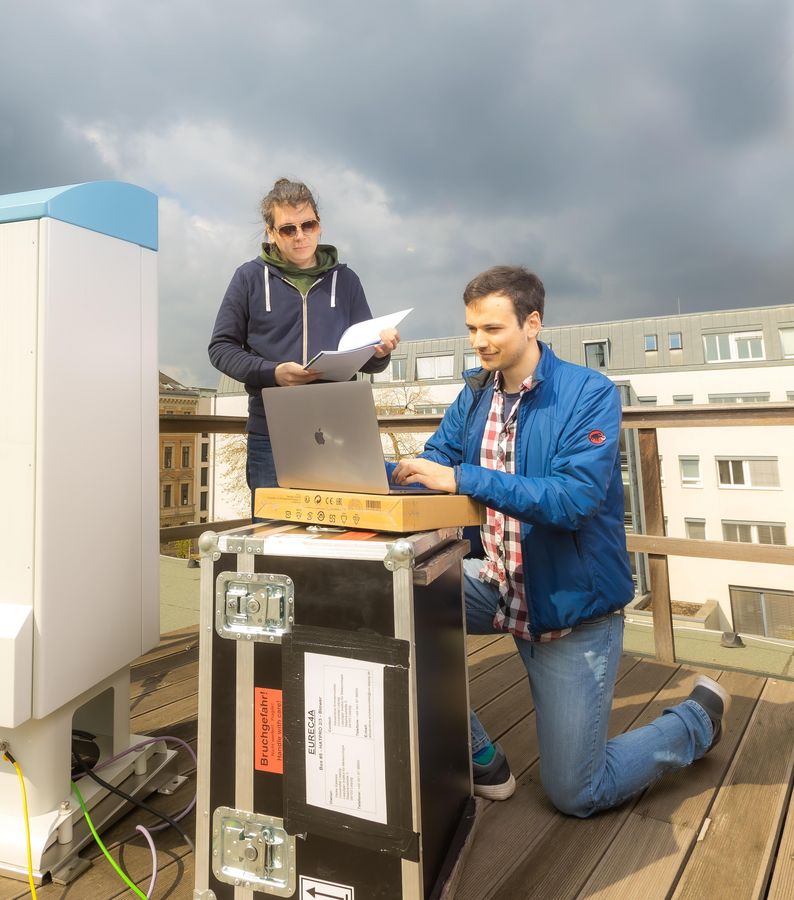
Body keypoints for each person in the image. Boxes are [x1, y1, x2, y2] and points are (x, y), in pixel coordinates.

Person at [391, 265, 730, 817]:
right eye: (472, 328)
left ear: (533, 323)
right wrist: (365, 471)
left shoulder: (588, 393)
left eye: (492, 328)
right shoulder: (474, 396)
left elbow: (573, 500)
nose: (479, 341)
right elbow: (435, 463)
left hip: (570, 608)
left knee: (577, 792)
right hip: (495, 584)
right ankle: (476, 751)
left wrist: (461, 478)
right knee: (386, 596)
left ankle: (696, 721)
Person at [209, 178, 399, 509]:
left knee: (336, 535)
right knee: (273, 536)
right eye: (288, 229)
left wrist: (380, 352)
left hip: (340, 428)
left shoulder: (347, 280)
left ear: (319, 226)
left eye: (307, 225)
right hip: (271, 431)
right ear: (270, 232)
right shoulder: (249, 278)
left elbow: (367, 358)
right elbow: (221, 347)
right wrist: (273, 372)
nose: (300, 236)